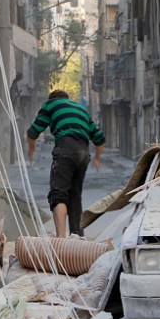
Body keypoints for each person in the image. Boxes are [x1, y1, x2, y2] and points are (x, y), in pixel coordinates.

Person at [27, 90, 106, 238]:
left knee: (58, 195)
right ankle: (77, 236)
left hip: (65, 149)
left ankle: (61, 240)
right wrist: (97, 158)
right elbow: (99, 138)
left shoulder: (51, 104)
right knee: (75, 196)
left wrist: (31, 150)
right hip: (83, 152)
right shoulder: (81, 109)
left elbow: (33, 131)